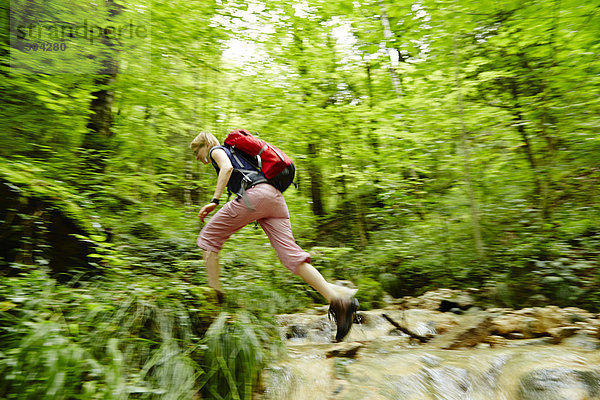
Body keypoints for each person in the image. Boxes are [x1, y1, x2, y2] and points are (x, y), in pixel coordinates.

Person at [190, 131, 358, 342]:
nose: (197, 157)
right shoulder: (236, 153)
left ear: (205, 145)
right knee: (292, 258)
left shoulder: (216, 150)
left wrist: (214, 201)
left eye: (197, 151)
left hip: (254, 196)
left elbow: (227, 168)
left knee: (208, 239)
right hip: (274, 197)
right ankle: (339, 302)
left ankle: (214, 299)